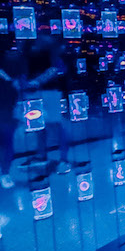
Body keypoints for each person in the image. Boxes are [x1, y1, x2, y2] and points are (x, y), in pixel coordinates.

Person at [25, 34, 71, 172]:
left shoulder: (50, 49)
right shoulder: (32, 48)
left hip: (49, 91)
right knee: (40, 126)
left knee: (56, 125)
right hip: (37, 91)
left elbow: (57, 68)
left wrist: (36, 82)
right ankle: (42, 155)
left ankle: (63, 159)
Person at [0, 44, 25, 189]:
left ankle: (4, 173)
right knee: (6, 143)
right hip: (8, 106)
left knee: (7, 143)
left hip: (8, 107)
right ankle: (4, 173)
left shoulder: (15, 65)